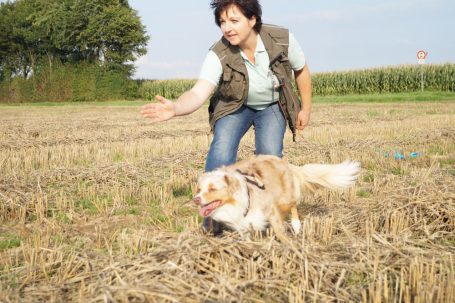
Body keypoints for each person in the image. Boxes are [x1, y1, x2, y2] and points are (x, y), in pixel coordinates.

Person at [141, 0, 312, 235]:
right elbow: (199, 91)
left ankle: (263, 214)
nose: (227, 28)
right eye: (222, 22)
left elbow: (301, 70)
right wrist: (176, 108)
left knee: (270, 157)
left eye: (234, 20)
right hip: (234, 106)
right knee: (221, 151)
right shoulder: (219, 52)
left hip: (272, 105)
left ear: (252, 19)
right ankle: (213, 223)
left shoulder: (282, 39)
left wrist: (305, 108)